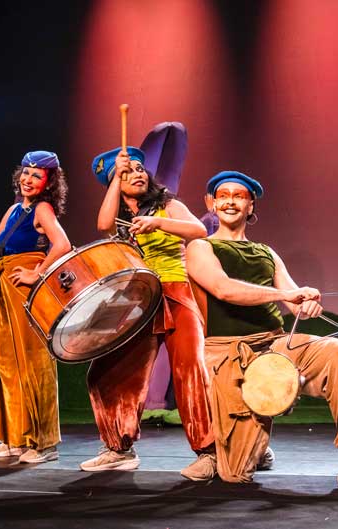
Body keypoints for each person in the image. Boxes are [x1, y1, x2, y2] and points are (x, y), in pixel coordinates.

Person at [187, 171, 338, 491]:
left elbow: (293, 301)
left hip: (275, 345)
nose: (230, 201)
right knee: (235, 474)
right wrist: (285, 294)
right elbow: (223, 289)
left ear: (250, 205)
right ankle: (252, 447)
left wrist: (306, 302)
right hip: (229, 354)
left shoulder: (266, 252)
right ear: (212, 204)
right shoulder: (200, 247)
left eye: (239, 196)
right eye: (223, 195)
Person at [81, 146, 216, 480]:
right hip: (140, 299)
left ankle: (210, 452)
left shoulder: (167, 205)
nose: (138, 174)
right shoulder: (119, 218)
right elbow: (102, 225)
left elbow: (199, 230)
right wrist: (116, 177)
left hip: (176, 290)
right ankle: (119, 448)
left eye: (140, 168)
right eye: (128, 172)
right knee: (108, 373)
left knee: (190, 371)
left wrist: (158, 222)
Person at [0, 150, 71, 463]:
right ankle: (13, 438)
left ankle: (43, 444)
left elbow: (63, 244)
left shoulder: (42, 208)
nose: (28, 179)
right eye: (26, 173)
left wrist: (37, 273)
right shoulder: (14, 210)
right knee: (7, 362)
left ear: (48, 182)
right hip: (5, 290)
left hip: (26, 290)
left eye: (36, 175)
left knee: (32, 362)